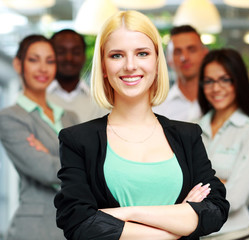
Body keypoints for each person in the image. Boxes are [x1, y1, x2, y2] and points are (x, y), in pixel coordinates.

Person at [54, 10, 229, 240]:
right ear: (104, 67)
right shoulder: (77, 140)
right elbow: (80, 223)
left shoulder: (188, 135)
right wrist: (175, 225)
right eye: (116, 55)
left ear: (157, 62)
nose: (130, 65)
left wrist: (129, 213)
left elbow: (215, 210)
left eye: (142, 53)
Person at [0, 34, 78, 240]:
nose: (43, 68)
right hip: (35, 230)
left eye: (50, 61)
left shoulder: (70, 117)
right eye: (34, 60)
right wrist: (80, 165)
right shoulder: (10, 118)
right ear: (18, 64)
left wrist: (52, 156)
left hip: (77, 225)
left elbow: (90, 167)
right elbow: (47, 171)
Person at [197, 49, 249, 240]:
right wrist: (220, 183)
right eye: (209, 81)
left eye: (224, 79)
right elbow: (176, 185)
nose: (216, 88)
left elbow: (235, 198)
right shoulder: (192, 128)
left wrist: (195, 189)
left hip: (235, 235)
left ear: (238, 82)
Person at [48, 29, 107, 123]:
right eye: (61, 52)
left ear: (84, 56)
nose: (69, 58)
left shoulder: (100, 100)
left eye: (76, 52)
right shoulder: (36, 99)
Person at [153, 25, 208, 122]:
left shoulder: (219, 100)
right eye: (177, 52)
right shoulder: (158, 110)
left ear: (205, 54)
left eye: (192, 50)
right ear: (169, 59)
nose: (184, 57)